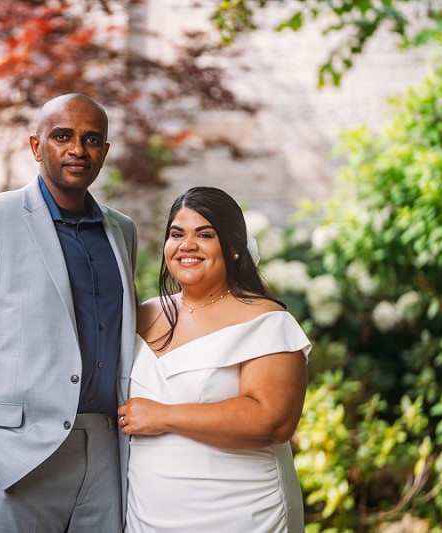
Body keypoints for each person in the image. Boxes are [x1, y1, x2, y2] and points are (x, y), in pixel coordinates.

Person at [0, 93, 137, 532]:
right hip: (18, 456)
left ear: (105, 152)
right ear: (37, 147)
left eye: (92, 139)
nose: (78, 150)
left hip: (108, 452)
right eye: (63, 136)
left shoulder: (123, 231)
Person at [117, 186, 310, 532]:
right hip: (148, 513)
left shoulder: (265, 321)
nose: (187, 245)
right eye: (177, 234)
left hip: (241, 512)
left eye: (204, 234)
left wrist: (164, 416)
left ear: (234, 248)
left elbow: (273, 421)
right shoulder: (143, 314)